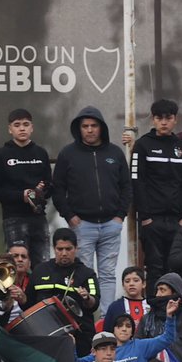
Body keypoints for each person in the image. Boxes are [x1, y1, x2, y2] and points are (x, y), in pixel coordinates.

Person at [51, 106, 131, 304]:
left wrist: (120, 216)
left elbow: (127, 186)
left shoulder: (115, 153)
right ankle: (85, 319)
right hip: (82, 225)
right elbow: (58, 188)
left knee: (108, 275)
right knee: (83, 275)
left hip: (111, 225)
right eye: (85, 126)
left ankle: (106, 322)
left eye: (94, 125)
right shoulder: (67, 154)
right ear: (78, 128)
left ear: (101, 127)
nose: (89, 130)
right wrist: (70, 216)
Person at [131, 98, 182, 282]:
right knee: (154, 266)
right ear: (153, 120)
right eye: (159, 118)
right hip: (152, 220)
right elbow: (137, 181)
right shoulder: (142, 146)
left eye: (168, 118)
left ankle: (175, 307)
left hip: (176, 220)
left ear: (175, 120)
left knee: (175, 267)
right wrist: (145, 217)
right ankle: (154, 307)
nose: (164, 122)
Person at [0, 108, 52, 265]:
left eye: (26, 124)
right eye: (17, 125)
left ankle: (41, 291)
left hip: (38, 218)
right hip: (13, 218)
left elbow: (50, 185)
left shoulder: (41, 153)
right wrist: (21, 195)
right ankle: (15, 291)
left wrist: (41, 191)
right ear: (10, 129)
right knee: (16, 265)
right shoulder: (1, 155)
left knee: (43, 265)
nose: (22, 128)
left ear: (32, 128)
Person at [28, 228, 101, 357]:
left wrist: (87, 297)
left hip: (80, 338)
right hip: (46, 336)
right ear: (54, 248)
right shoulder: (40, 270)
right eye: (60, 249)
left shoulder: (87, 274)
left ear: (76, 249)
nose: (64, 253)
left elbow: (94, 303)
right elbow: (28, 303)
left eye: (68, 249)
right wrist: (20, 297)